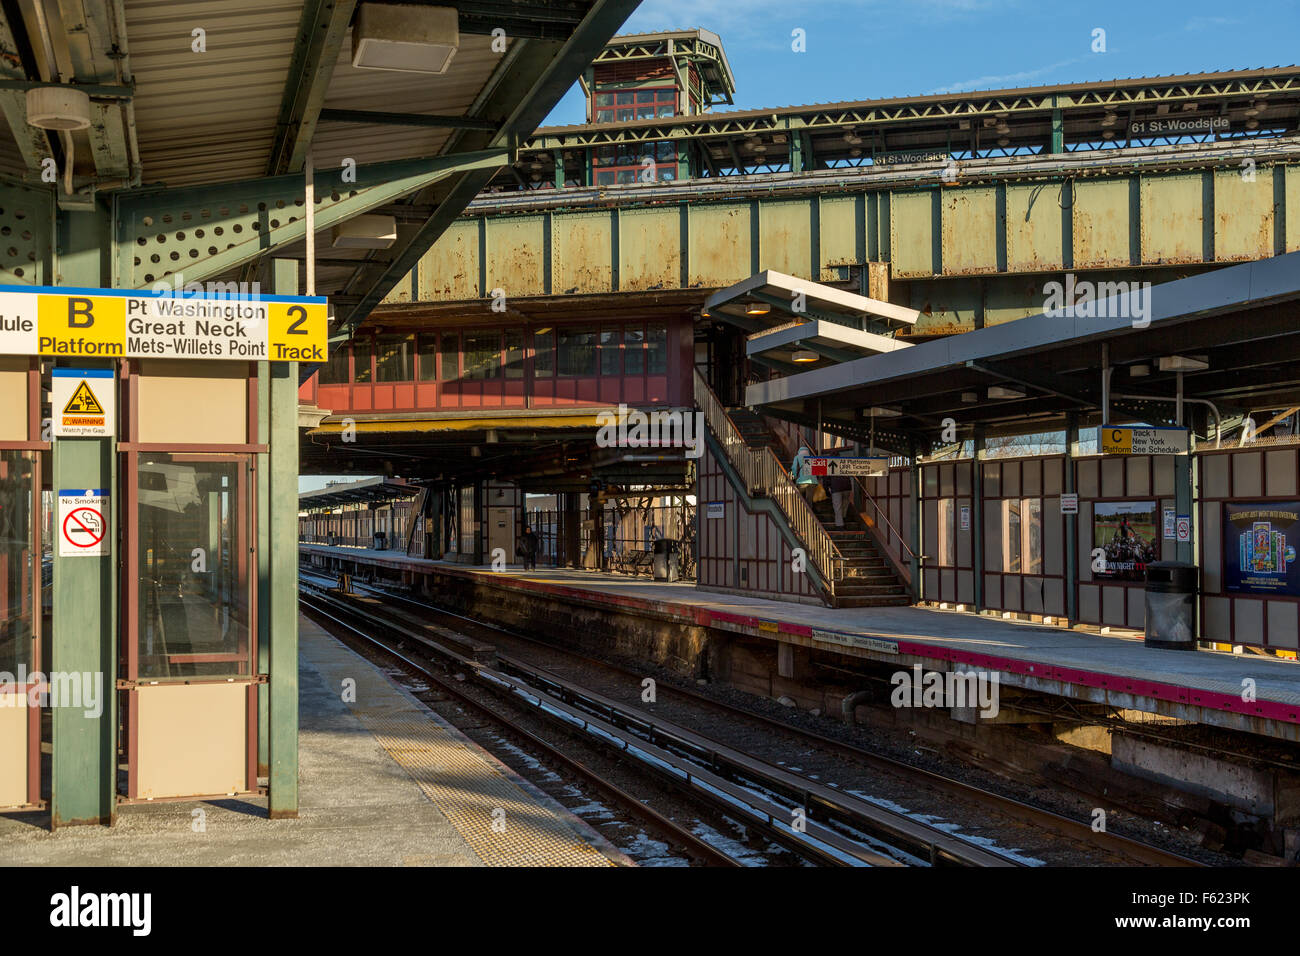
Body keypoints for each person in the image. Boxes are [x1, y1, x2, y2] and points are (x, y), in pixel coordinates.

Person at [823, 456, 852, 528]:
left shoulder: (828, 465)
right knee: (845, 504)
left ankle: (840, 524)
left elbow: (826, 479)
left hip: (836, 488)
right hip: (847, 487)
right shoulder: (844, 463)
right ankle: (844, 517)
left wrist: (827, 491)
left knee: (838, 507)